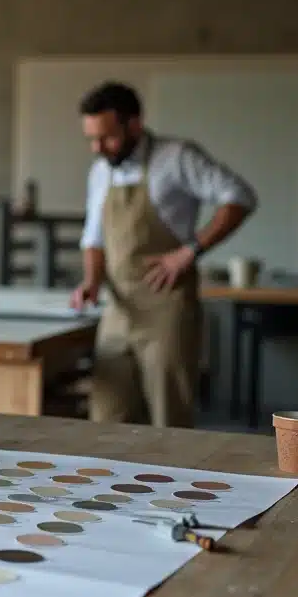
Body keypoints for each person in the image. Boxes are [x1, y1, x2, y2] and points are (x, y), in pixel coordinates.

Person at [70, 81, 257, 428]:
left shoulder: (177, 158)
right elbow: (93, 238)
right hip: (118, 311)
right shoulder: (100, 171)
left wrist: (190, 251)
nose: (98, 148)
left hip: (167, 311)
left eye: (107, 137)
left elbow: (240, 196)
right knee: (106, 418)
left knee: (169, 421)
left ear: (135, 124)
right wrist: (92, 281)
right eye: (92, 139)